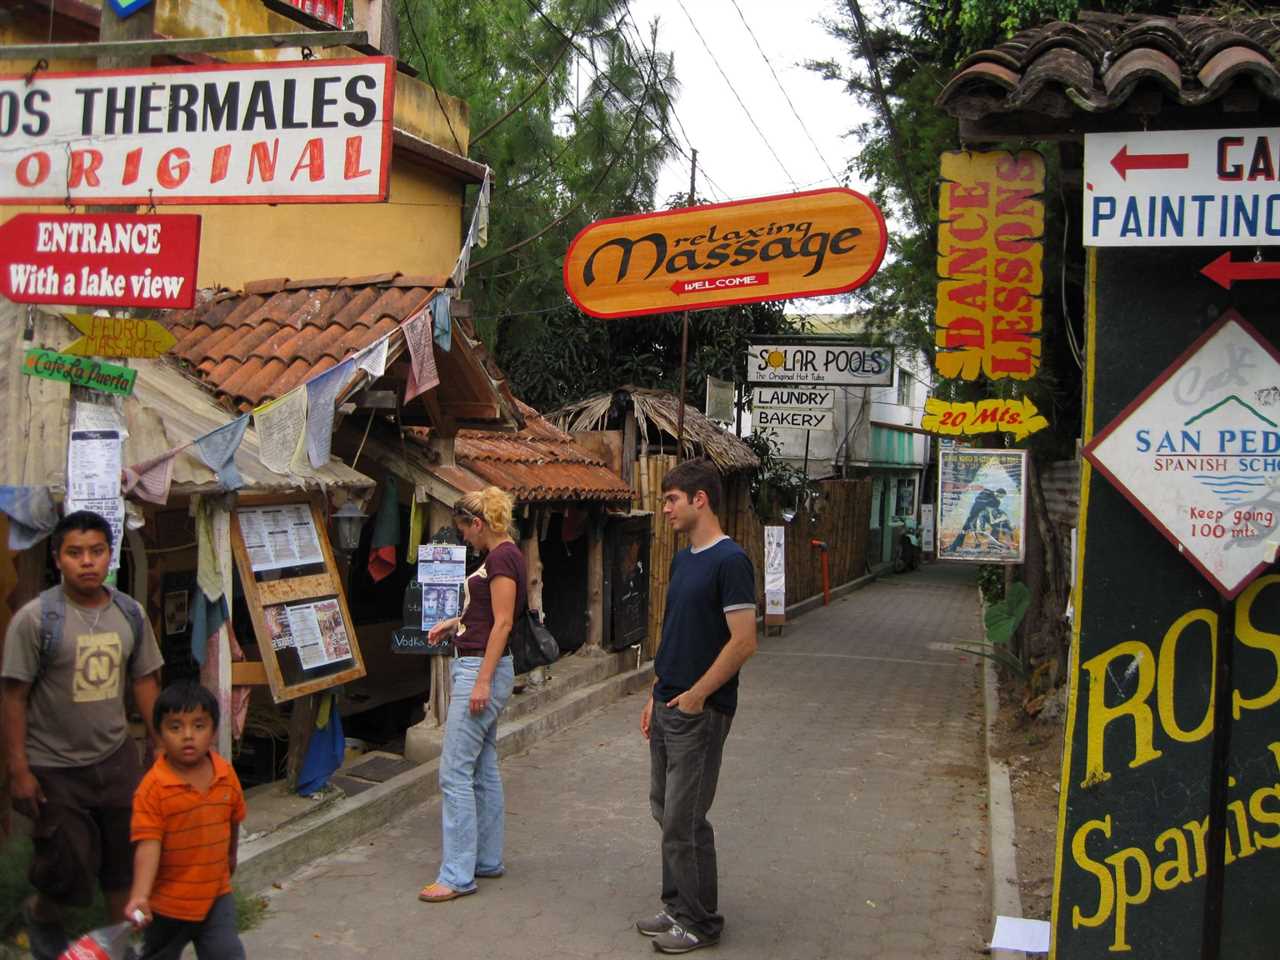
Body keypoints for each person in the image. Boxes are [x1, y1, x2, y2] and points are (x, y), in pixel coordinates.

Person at [1, 511, 164, 960]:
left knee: (120, 866)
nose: (87, 562)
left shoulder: (129, 614)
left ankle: (119, 947)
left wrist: (161, 746)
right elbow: (13, 696)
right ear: (58, 559)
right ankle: (42, 913)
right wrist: (18, 769)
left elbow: (146, 681)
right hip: (54, 766)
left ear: (110, 556)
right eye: (75, 553)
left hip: (116, 760)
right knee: (67, 868)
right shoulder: (37, 620)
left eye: (96, 551)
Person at [638, 458, 758, 954]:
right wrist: (656, 693)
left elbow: (744, 641)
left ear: (699, 499)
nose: (665, 508)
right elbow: (675, 634)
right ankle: (677, 906)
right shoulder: (684, 558)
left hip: (700, 713)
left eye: (671, 499)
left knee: (684, 819)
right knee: (667, 812)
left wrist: (698, 696)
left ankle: (700, 922)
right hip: (669, 704)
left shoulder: (731, 562)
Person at [418, 486, 526, 903]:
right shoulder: (506, 554)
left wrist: (481, 680)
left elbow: (502, 624)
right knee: (482, 767)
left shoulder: (500, 557)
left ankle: (457, 874)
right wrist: (453, 623)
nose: (464, 538)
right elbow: (488, 616)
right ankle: (486, 858)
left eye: (465, 529)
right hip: (485, 662)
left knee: (454, 772)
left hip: (481, 668)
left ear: (478, 523)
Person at [125, 682, 247, 960]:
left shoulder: (225, 775)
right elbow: (148, 844)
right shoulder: (153, 788)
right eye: (175, 727)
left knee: (226, 953)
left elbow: (233, 818)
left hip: (216, 895)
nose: (188, 736)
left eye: (199, 725)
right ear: (160, 734)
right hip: (168, 905)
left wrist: (231, 855)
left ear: (214, 730)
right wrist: (141, 894)